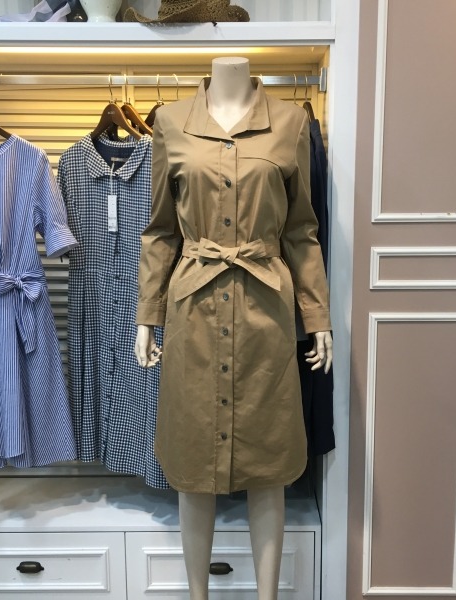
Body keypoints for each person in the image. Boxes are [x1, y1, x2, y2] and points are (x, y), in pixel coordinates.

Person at [135, 57, 332, 600]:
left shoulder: (290, 123)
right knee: (192, 461)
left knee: (268, 463)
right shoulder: (170, 122)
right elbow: (160, 232)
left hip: (266, 312)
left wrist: (317, 317)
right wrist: (148, 315)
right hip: (193, 312)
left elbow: (301, 232)